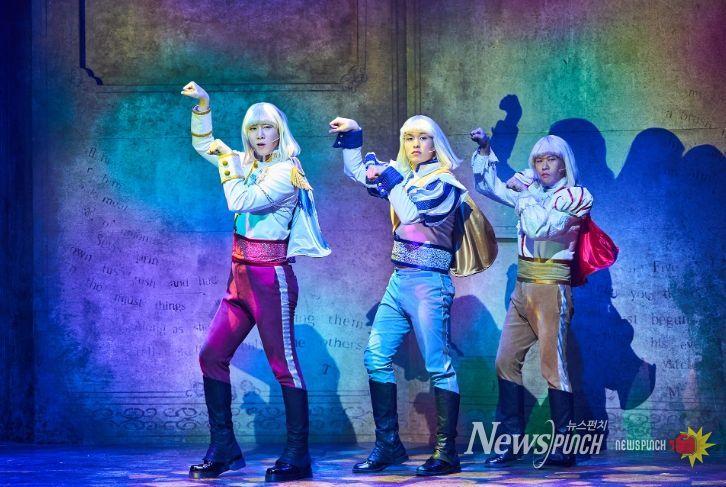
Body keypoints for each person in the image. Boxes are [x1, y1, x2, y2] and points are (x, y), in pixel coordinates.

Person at [329, 115, 497, 476]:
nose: (415, 145)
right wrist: (354, 135)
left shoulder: (446, 185)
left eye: (423, 138)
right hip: (399, 280)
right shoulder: (405, 177)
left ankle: (446, 452)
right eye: (408, 138)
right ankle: (389, 445)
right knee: (375, 357)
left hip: (429, 284)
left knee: (438, 365)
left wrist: (389, 176)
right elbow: (358, 172)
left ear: (436, 144)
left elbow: (409, 213)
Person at [182, 81, 330, 482]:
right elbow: (204, 144)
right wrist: (203, 105)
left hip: (270, 278)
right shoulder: (248, 164)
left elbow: (239, 200)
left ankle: (298, 455)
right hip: (239, 276)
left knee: (284, 366)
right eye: (252, 129)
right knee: (211, 354)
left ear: (279, 132)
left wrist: (230, 164)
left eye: (266, 128)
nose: (259, 135)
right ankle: (224, 447)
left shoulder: (286, 171)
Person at [470, 128, 593, 468]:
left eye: (551, 159)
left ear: (564, 163)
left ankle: (564, 446)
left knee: (554, 368)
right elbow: (488, 187)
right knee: (505, 361)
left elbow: (540, 229)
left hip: (552, 287)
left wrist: (523, 192)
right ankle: (511, 443)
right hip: (523, 287)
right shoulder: (533, 192)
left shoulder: (576, 196)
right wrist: (485, 150)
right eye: (538, 160)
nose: (543, 166)